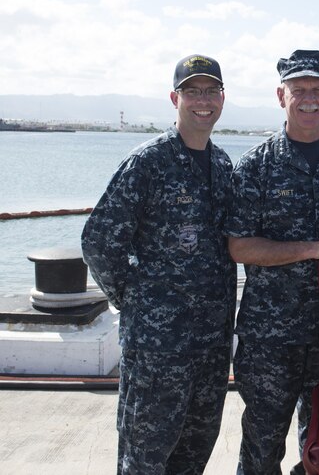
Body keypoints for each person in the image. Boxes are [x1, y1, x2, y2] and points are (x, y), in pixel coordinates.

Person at [81, 54, 237, 474]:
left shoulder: (222, 166)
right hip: (158, 348)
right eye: (192, 91)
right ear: (175, 98)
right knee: (145, 458)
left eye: (211, 91)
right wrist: (136, 300)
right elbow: (98, 241)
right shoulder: (148, 162)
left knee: (193, 455)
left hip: (211, 345)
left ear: (222, 99)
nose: (202, 101)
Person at [226, 49, 319, 475]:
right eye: (299, 90)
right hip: (271, 337)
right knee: (262, 446)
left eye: (317, 90)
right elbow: (240, 247)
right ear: (281, 96)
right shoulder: (256, 165)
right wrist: (310, 249)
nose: (309, 99)